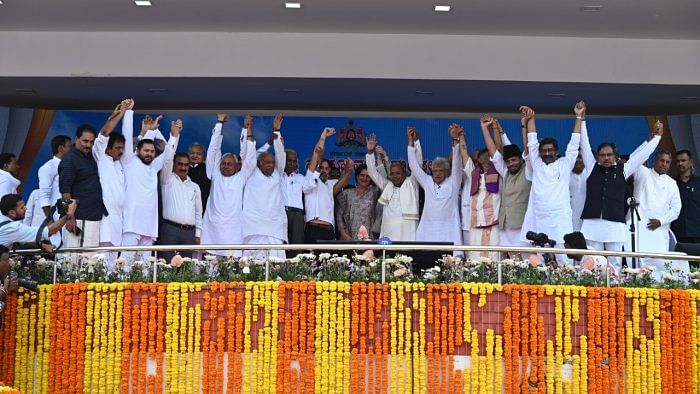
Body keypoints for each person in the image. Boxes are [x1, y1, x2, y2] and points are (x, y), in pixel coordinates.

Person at [578, 101, 662, 271]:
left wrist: (657, 138)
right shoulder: (591, 166)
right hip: (592, 224)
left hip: (615, 225)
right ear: (597, 157)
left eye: (609, 155)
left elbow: (643, 156)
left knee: (614, 264)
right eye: (602, 155)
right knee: (591, 263)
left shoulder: (624, 169)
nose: (606, 158)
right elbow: (584, 142)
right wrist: (581, 118)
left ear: (615, 156)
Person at [520, 104, 581, 263]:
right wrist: (531, 118)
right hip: (539, 218)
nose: (547, 153)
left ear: (557, 151)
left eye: (550, 150)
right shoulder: (537, 164)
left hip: (560, 219)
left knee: (563, 259)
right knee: (539, 259)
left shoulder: (565, 164)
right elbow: (532, 141)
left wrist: (579, 117)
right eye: (544, 151)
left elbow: (574, 144)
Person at [121, 115, 179, 263]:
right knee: (126, 265)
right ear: (137, 150)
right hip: (131, 224)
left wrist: (174, 136)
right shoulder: (129, 161)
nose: (149, 154)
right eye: (146, 150)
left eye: (152, 151)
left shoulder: (153, 167)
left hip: (149, 227)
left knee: (145, 269)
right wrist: (128, 112)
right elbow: (127, 135)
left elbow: (168, 154)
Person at [200, 114, 256, 257]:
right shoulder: (215, 174)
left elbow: (249, 157)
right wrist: (219, 124)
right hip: (212, 227)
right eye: (223, 163)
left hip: (233, 229)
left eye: (230, 164)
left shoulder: (241, 177)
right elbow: (213, 149)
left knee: (231, 271)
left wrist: (247, 130)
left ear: (237, 166)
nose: (225, 166)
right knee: (210, 269)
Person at [408, 123, 463, 255]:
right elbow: (414, 166)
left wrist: (456, 141)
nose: (437, 174)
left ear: (447, 172)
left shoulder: (453, 182)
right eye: (434, 171)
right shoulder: (427, 182)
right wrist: (410, 143)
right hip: (428, 232)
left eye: (440, 171)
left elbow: (457, 163)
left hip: (449, 232)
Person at [483, 116, 532, 257]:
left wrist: (525, 125)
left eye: (514, 160)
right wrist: (485, 129)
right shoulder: (505, 172)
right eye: (508, 161)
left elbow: (528, 149)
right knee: (512, 266)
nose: (511, 164)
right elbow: (493, 151)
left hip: (524, 227)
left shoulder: (528, 171)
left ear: (521, 159)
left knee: (529, 264)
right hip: (506, 226)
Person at [241, 115, 288, 259]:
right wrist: (249, 130)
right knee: (251, 268)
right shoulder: (250, 172)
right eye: (268, 162)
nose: (271, 165)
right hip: (253, 227)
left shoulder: (276, 174)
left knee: (277, 267)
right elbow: (248, 154)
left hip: (275, 228)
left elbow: (280, 154)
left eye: (273, 163)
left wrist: (277, 131)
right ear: (259, 163)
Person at [629, 149, 681, 275]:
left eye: (667, 162)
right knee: (637, 267)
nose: (664, 164)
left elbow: (676, 209)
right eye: (661, 160)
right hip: (640, 229)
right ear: (654, 161)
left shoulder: (672, 183)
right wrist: (650, 142)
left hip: (660, 230)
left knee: (659, 268)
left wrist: (660, 221)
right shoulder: (643, 173)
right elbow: (633, 156)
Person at [93, 99, 131, 268]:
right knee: (100, 267)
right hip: (104, 224)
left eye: (122, 148)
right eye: (118, 148)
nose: (121, 151)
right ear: (107, 148)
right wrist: (119, 114)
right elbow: (104, 133)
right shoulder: (100, 157)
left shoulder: (119, 164)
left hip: (118, 225)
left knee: (114, 268)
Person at [365, 130, 420, 241]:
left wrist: (415, 142)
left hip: (408, 232)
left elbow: (417, 164)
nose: (395, 176)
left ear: (405, 173)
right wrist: (370, 153)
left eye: (398, 173)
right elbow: (372, 173)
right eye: (392, 174)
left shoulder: (412, 183)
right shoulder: (387, 186)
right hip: (388, 230)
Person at [58, 124, 105, 250]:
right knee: (76, 259)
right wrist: (70, 218)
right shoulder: (70, 160)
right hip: (79, 217)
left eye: (91, 142)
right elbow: (65, 191)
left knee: (90, 260)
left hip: (93, 216)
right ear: (76, 139)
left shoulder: (88, 156)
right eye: (85, 141)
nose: (88, 145)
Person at [159, 123, 202, 261]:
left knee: (186, 272)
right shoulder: (167, 179)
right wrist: (174, 136)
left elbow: (198, 212)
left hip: (189, 233)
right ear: (174, 165)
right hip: (170, 230)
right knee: (167, 268)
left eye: (186, 165)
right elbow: (167, 159)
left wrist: (198, 234)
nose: (183, 167)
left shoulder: (194, 186)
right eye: (180, 164)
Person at [462, 117, 502, 260]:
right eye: (483, 156)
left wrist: (493, 129)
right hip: (475, 224)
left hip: (494, 224)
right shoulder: (473, 173)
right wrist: (460, 137)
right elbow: (464, 155)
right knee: (474, 258)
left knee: (494, 259)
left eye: (489, 155)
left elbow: (497, 149)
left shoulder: (499, 172)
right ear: (478, 159)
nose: (487, 158)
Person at [303, 128, 351, 243]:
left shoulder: (330, 184)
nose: (323, 170)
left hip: (329, 230)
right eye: (321, 167)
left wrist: (348, 169)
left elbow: (343, 181)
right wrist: (323, 136)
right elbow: (316, 153)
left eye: (326, 168)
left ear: (330, 171)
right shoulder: (310, 178)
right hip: (313, 228)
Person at [0, 194, 77, 250]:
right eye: (22, 207)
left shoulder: (3, 222)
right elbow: (47, 232)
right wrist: (68, 215)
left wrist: (42, 245)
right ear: (12, 213)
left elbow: (21, 239)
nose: (26, 208)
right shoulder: (12, 228)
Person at [38, 134, 72, 247]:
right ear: (61, 148)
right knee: (58, 251)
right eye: (69, 146)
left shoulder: (71, 165)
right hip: (56, 217)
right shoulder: (48, 167)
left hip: (71, 214)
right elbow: (43, 197)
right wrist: (51, 221)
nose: (72, 149)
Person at [336, 163, 381, 240]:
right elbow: (339, 215)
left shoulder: (374, 192)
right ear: (357, 176)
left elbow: (384, 181)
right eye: (362, 175)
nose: (364, 178)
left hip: (369, 238)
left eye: (368, 176)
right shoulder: (346, 193)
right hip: (349, 238)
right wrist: (343, 234)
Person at [672, 150, 700, 243]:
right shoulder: (671, 183)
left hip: (697, 233)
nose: (680, 163)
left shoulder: (698, 182)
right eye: (678, 161)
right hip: (678, 233)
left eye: (683, 160)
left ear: (690, 161)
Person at [187, 142, 211, 212]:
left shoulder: (208, 170)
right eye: (192, 153)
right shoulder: (182, 168)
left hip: (203, 211)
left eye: (198, 154)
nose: (195, 156)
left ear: (204, 157)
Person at [569, 153, 587, 232]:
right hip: (567, 222)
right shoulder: (563, 174)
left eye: (580, 157)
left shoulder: (591, 174)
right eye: (575, 157)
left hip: (587, 223)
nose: (577, 160)